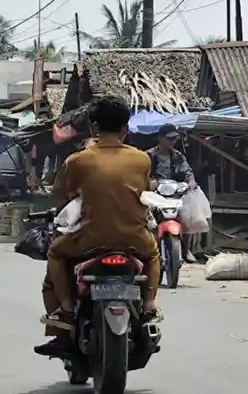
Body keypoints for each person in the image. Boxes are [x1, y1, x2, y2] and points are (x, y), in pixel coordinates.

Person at [36, 96, 161, 357]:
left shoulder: (77, 161)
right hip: (134, 239)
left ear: (93, 128)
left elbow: (63, 195)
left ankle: (67, 312)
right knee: (152, 255)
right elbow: (144, 189)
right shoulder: (141, 160)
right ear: (126, 129)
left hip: (89, 240)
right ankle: (148, 306)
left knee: (56, 255)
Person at [146, 124, 199, 262]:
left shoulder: (178, 156)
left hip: (174, 194)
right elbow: (140, 174)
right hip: (154, 194)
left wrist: (191, 183)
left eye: (175, 138)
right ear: (160, 138)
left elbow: (188, 172)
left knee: (186, 216)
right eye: (170, 138)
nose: (173, 141)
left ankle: (185, 249)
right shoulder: (148, 155)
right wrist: (148, 183)